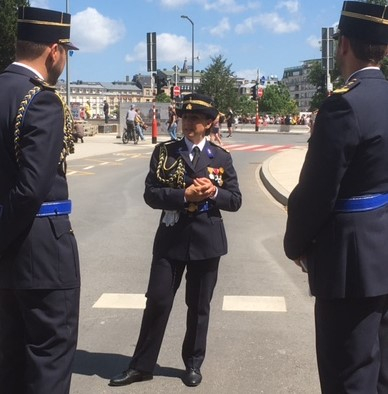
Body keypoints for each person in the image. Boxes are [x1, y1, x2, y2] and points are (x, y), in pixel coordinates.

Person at [284, 2, 388, 393]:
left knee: (349, 375)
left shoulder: (344, 104)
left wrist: (296, 242)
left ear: (342, 44)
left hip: (350, 263)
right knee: (381, 374)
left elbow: (317, 191)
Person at [109, 93, 242, 388]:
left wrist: (214, 193)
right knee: (157, 300)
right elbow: (150, 193)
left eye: (196, 118)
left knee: (199, 306)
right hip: (171, 239)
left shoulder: (221, 157)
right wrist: (183, 196)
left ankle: (193, 363)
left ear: (209, 124)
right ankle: (141, 365)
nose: (188, 123)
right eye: (185, 117)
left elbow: (235, 200)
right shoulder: (165, 152)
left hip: (207, 241)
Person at [0, 6, 80, 394]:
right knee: (48, 360)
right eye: (66, 51)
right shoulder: (41, 100)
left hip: (7, 263)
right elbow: (31, 189)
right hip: (41, 252)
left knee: (9, 362)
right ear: (54, 50)